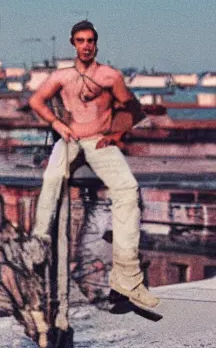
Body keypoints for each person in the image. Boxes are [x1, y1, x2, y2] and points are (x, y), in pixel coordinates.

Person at [27, 20, 159, 309]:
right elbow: (36, 100)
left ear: (96, 43)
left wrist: (117, 133)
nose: (86, 45)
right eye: (80, 40)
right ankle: (38, 242)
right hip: (71, 138)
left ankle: (126, 278)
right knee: (51, 179)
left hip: (99, 140)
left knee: (127, 190)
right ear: (72, 43)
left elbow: (131, 108)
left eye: (90, 40)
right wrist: (57, 125)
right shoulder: (62, 76)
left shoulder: (110, 76)